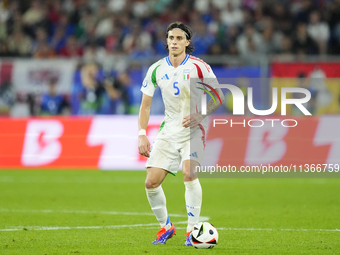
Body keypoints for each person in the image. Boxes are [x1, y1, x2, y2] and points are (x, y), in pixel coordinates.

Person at [138, 22, 224, 246]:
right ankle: (165, 227)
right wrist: (141, 133)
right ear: (166, 41)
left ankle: (192, 230)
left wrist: (200, 115)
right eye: (171, 38)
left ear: (187, 42)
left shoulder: (198, 67)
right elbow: (145, 106)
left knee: (189, 174)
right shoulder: (156, 69)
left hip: (193, 130)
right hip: (169, 131)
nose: (174, 41)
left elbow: (219, 96)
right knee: (151, 183)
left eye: (179, 38)